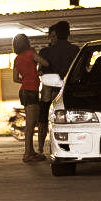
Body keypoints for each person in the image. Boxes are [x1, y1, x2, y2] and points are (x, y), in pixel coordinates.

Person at [33, 20, 80, 155]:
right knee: (68, 122)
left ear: (56, 35)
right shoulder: (75, 50)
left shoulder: (45, 52)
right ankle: (68, 148)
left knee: (43, 121)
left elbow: (40, 70)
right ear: (68, 33)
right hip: (67, 92)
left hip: (48, 91)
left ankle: (41, 150)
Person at [11, 33, 44, 162]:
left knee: (31, 123)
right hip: (31, 92)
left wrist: (25, 80)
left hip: (23, 91)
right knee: (30, 125)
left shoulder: (17, 59)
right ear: (27, 43)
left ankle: (31, 151)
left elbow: (15, 78)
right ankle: (27, 154)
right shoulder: (31, 54)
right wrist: (37, 71)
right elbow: (45, 62)